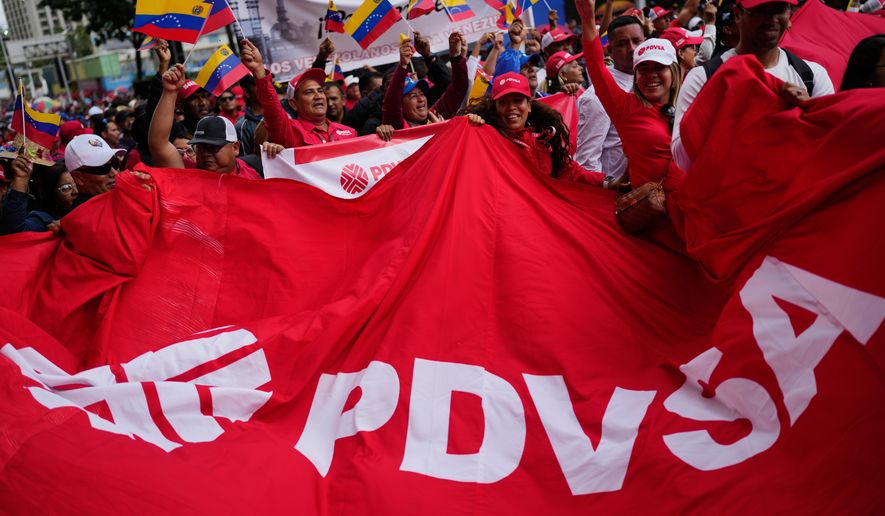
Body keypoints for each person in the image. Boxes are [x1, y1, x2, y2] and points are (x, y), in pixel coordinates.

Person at [671, 0, 835, 171]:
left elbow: (828, 151)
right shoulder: (702, 78)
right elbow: (683, 160)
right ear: (737, 15)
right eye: (760, 10)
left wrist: (808, 112)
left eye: (779, 9)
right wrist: (721, 99)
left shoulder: (813, 76)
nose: (771, 18)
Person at [577, 0, 685, 193]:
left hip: (694, 213)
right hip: (653, 216)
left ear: (674, 72)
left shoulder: (690, 103)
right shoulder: (625, 107)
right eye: (643, 69)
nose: (651, 75)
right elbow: (595, 65)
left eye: (659, 67)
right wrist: (587, 17)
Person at [463, 72, 604, 186]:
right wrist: (468, 128)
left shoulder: (544, 140)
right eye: (503, 102)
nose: (511, 107)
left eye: (517, 100)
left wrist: (608, 182)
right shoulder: (485, 141)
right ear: (495, 108)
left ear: (529, 105)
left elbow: (571, 172)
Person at [148, 63, 262, 179]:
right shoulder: (190, 175)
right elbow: (158, 143)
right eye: (201, 147)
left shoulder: (255, 167)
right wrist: (169, 92)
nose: (206, 154)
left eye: (213, 147)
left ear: (235, 148)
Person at [239, 39, 357, 147]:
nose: (318, 96)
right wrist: (259, 70)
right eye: (309, 92)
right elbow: (272, 109)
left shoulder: (350, 133)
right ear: (294, 104)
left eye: (320, 91)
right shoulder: (290, 132)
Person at [574, 14, 646, 181]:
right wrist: (607, 191)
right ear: (610, 51)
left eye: (637, 41)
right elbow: (587, 161)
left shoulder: (652, 84)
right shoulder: (596, 97)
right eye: (622, 44)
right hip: (617, 196)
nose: (632, 48)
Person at [377, 32, 468, 138]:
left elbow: (459, 88)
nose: (421, 99)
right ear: (401, 105)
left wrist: (456, 56)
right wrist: (402, 65)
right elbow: (391, 104)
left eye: (421, 94)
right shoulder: (399, 128)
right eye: (413, 96)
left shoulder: (435, 114)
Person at [0, 158, 77, 234]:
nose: (75, 192)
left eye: (77, 184)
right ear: (52, 193)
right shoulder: (45, 221)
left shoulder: (87, 205)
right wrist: (21, 179)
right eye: (66, 188)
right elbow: (15, 231)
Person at [235, 74, 265, 156]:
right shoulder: (242, 127)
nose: (267, 87)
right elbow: (246, 164)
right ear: (247, 92)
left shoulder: (284, 116)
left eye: (269, 82)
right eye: (260, 83)